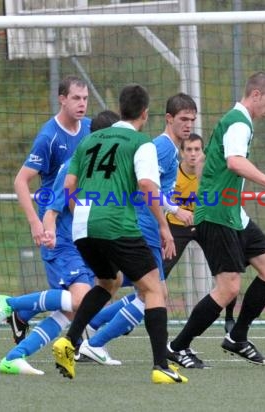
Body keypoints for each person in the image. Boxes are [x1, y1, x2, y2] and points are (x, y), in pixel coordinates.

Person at [52, 84, 188, 384]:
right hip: (116, 223)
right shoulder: (142, 143)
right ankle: (161, 366)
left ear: (120, 107)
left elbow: (69, 185)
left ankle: (69, 341)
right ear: (145, 113)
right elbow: (148, 188)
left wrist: (82, 214)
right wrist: (165, 227)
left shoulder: (90, 140)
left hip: (83, 224)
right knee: (154, 289)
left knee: (108, 281)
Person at [166, 72, 265, 368]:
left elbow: (219, 163)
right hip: (216, 215)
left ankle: (237, 337)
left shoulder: (239, 122)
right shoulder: (238, 122)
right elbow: (234, 162)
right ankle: (177, 346)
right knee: (228, 288)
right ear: (255, 95)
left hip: (233, 213)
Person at [0, 110, 119, 375]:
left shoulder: (101, 167)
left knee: (73, 309)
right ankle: (11, 303)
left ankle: (15, 356)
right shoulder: (75, 164)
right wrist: (47, 230)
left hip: (83, 245)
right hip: (63, 245)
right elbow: (52, 207)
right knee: (81, 301)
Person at [78, 93, 197, 366]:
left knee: (143, 292)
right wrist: (173, 212)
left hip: (144, 224)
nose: (188, 124)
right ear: (168, 119)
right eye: (183, 119)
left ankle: (93, 323)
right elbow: (146, 188)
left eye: (192, 119)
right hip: (144, 225)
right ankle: (94, 344)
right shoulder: (163, 148)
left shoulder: (168, 147)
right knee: (154, 294)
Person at [8, 76, 91, 343]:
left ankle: (75, 342)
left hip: (84, 222)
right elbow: (21, 181)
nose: (82, 104)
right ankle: (18, 307)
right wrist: (36, 223)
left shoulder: (90, 128)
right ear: (62, 99)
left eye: (85, 98)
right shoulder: (49, 137)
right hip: (55, 227)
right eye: (76, 98)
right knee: (77, 296)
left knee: (85, 293)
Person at [163, 133, 238, 336]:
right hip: (177, 226)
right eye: (189, 149)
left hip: (205, 224)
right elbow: (160, 198)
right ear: (182, 152)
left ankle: (230, 318)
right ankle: (136, 313)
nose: (193, 154)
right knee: (158, 273)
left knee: (228, 270)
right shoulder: (173, 174)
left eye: (197, 149)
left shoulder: (209, 174)